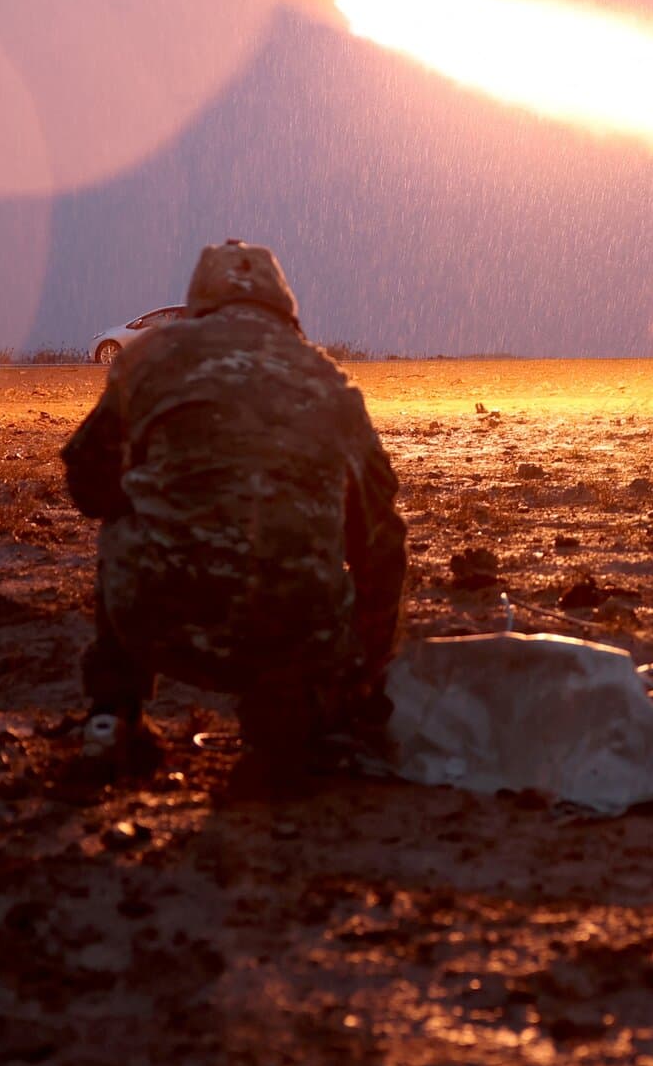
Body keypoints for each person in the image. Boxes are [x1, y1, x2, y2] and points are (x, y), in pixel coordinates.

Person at [61, 239, 407, 778]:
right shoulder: (330, 383)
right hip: (293, 634)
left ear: (199, 302)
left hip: (158, 622)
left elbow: (87, 484)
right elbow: (382, 540)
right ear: (286, 307)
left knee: (125, 515)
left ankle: (113, 715)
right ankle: (299, 707)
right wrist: (366, 667)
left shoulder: (149, 361)